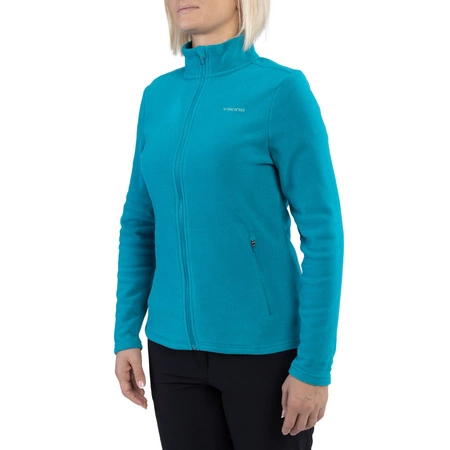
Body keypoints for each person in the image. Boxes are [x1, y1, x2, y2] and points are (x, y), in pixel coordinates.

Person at [114, 0, 344, 449]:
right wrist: (126, 333)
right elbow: (139, 225)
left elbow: (323, 235)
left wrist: (314, 366)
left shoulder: (281, 90)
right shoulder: (157, 97)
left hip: (264, 354)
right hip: (171, 353)